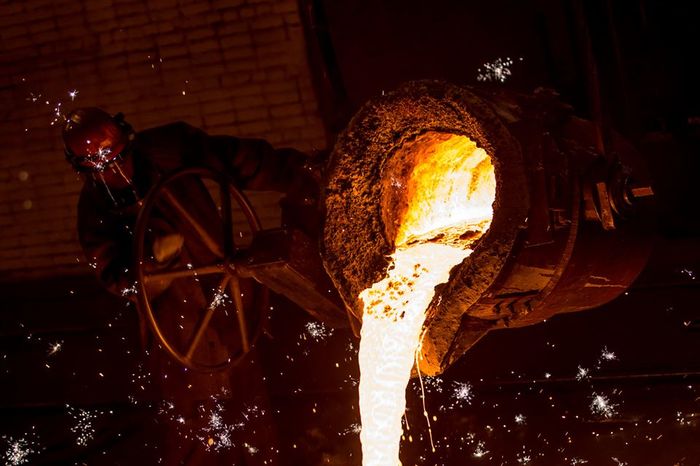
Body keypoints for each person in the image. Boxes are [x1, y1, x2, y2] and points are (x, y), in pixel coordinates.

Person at [63, 107, 317, 465]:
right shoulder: (94, 212)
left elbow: (240, 160)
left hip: (230, 306)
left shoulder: (170, 149)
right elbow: (119, 280)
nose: (114, 171)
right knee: (195, 431)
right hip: (177, 329)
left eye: (118, 157)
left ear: (128, 139)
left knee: (252, 418)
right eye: (101, 166)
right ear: (82, 168)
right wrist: (155, 262)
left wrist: (304, 173)